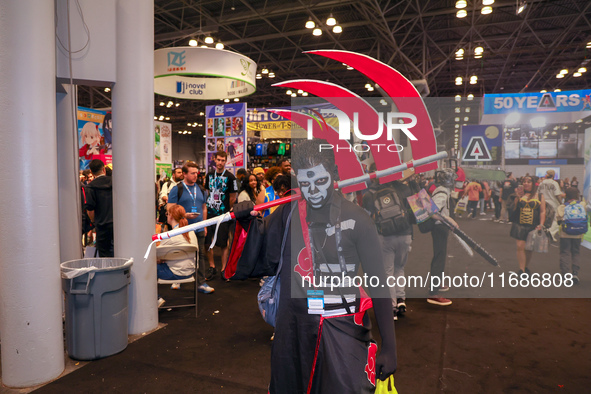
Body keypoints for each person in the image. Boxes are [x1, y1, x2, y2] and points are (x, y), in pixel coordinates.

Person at [232, 138, 396, 393]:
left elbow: (379, 283)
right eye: (305, 183)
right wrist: (247, 223)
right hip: (294, 330)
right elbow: (262, 255)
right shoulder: (287, 215)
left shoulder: (357, 219)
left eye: (320, 181)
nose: (313, 191)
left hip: (343, 328)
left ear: (334, 174)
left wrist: (390, 346)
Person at [363, 169, 415, 320]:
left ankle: (391, 307)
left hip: (385, 236)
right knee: (400, 268)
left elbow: (367, 214)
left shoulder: (370, 194)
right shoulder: (403, 188)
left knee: (387, 272)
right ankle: (401, 300)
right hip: (405, 234)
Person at [167, 161, 214, 294]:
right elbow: (170, 207)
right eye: (192, 173)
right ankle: (177, 279)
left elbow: (204, 207)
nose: (195, 175)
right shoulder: (177, 188)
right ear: (185, 174)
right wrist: (184, 214)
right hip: (182, 228)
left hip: (199, 227)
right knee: (179, 254)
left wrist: (204, 224)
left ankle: (201, 283)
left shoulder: (200, 188)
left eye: (196, 173)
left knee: (200, 255)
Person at [427, 169, 460, 306]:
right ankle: (433, 293)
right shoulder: (442, 192)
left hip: (440, 227)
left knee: (440, 256)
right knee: (439, 258)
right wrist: (448, 219)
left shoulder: (442, 191)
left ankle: (437, 284)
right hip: (439, 227)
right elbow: (431, 210)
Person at [205, 151, 238, 279]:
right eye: (218, 160)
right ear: (215, 160)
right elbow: (208, 191)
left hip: (223, 214)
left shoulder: (230, 177)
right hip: (209, 213)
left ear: (226, 161)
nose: (220, 163)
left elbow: (233, 197)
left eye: (223, 160)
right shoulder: (209, 175)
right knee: (207, 242)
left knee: (224, 242)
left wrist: (224, 209)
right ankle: (212, 266)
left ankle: (224, 269)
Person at [157, 204, 198, 306]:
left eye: (167, 214)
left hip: (175, 273)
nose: (166, 216)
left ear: (171, 216)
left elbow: (157, 255)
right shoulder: (192, 232)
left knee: (147, 268)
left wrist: (159, 259)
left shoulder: (171, 236)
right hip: (191, 271)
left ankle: (155, 299)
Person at [509, 176, 546, 276]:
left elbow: (542, 211)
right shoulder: (519, 195)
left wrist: (541, 224)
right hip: (519, 224)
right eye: (524, 182)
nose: (526, 183)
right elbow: (513, 208)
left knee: (529, 248)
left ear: (533, 183)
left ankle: (525, 266)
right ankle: (521, 270)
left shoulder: (539, 196)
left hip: (533, 226)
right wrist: (517, 197)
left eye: (529, 182)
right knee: (520, 246)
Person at [556, 187, 587, 284]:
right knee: (576, 252)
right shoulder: (582, 205)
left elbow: (558, 220)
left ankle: (565, 275)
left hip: (565, 234)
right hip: (578, 234)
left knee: (565, 253)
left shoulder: (562, 207)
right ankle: (575, 273)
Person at [85, 159, 114, 257]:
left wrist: (94, 222)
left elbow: (90, 209)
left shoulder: (90, 187)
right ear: (104, 169)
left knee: (104, 255)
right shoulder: (115, 182)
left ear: (92, 172)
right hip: (117, 224)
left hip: (102, 226)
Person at [538, 170, 564, 242]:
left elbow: (538, 193)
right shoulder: (554, 183)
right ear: (553, 175)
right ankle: (550, 233)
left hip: (543, 203)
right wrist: (561, 203)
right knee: (556, 220)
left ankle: (543, 233)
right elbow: (557, 195)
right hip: (553, 203)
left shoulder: (541, 183)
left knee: (545, 219)